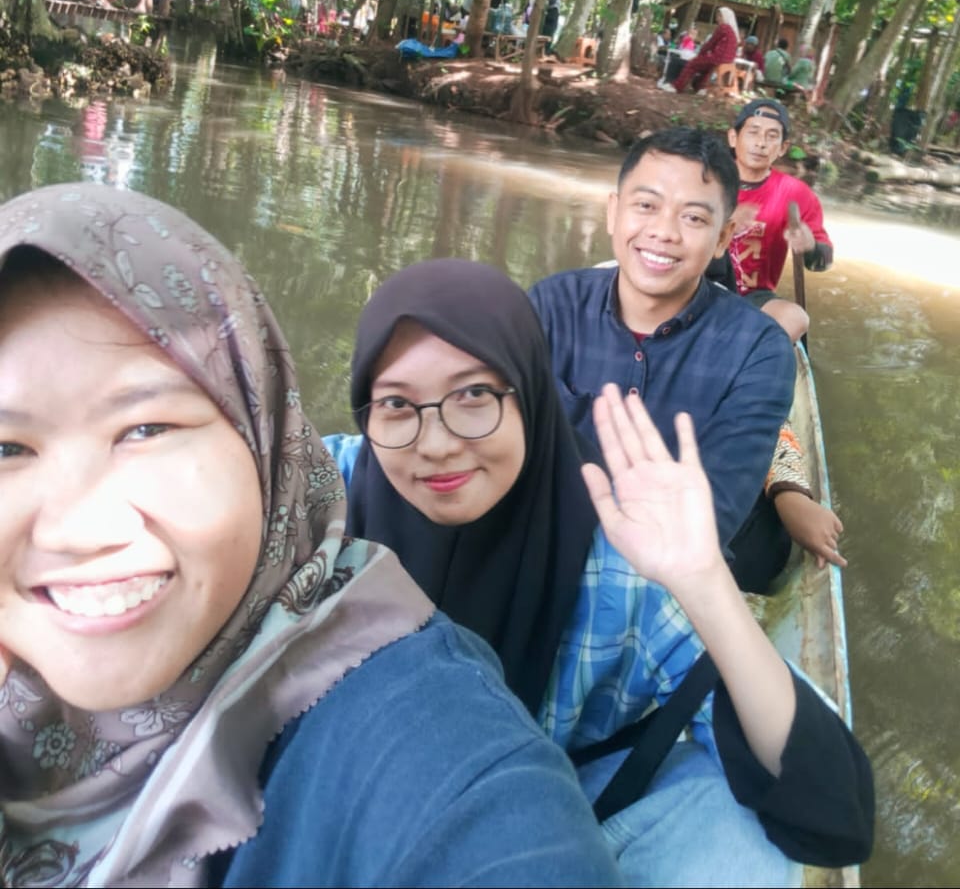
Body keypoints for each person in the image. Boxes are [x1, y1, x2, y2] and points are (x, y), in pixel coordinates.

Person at [0, 184, 623, 889]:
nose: (80, 530)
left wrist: (702, 578)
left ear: (264, 439)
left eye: (148, 428)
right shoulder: (344, 474)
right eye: (5, 449)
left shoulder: (442, 738)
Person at [326, 258, 874, 886]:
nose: (438, 442)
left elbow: (835, 818)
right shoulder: (318, 504)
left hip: (539, 825)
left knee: (740, 827)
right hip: (341, 811)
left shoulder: (614, 565)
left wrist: (704, 580)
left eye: (475, 394)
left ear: (532, 394)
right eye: (397, 403)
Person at [529, 127, 796, 569]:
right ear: (614, 212)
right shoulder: (550, 307)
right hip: (543, 549)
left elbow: (714, 515)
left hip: (671, 579)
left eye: (693, 218)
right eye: (646, 206)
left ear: (723, 238)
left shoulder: (758, 350)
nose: (664, 232)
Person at [723, 99, 833, 340]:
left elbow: (823, 262)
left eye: (772, 136)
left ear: (783, 148)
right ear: (733, 138)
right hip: (696, 287)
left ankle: (746, 359)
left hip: (753, 297)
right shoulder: (707, 179)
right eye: (753, 132)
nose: (761, 143)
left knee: (796, 318)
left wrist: (810, 246)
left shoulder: (796, 194)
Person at [664, 7, 739, 94]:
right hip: (728, 60)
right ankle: (700, 88)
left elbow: (711, 43)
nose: (717, 19)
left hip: (718, 58)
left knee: (692, 63)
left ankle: (677, 87)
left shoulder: (723, 27)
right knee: (706, 67)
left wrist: (700, 53)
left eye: (719, 16)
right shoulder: (733, 32)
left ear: (726, 17)